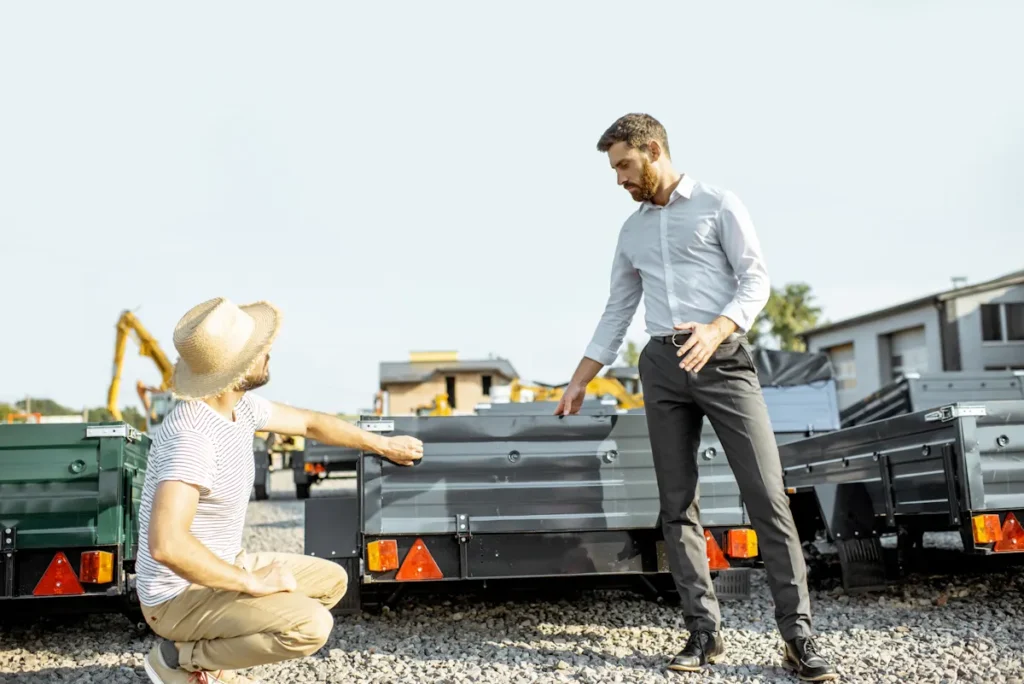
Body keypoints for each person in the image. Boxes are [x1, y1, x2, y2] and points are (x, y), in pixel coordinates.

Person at [553, 113, 837, 682]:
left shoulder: (719, 203)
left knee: (767, 497)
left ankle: (798, 636)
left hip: (724, 360)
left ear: (653, 150)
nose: (619, 180)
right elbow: (618, 309)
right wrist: (582, 376)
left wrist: (717, 327)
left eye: (624, 166)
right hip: (661, 366)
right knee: (677, 506)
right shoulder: (631, 231)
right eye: (614, 170)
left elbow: (756, 280)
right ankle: (703, 633)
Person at [138, 297, 424, 684]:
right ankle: (177, 658)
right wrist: (252, 584)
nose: (268, 352)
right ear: (235, 371)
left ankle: (216, 648)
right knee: (310, 626)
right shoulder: (192, 436)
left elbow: (309, 423)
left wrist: (382, 444)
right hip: (177, 598)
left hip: (224, 567)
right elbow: (167, 545)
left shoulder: (242, 408)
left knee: (332, 582)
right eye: (259, 349)